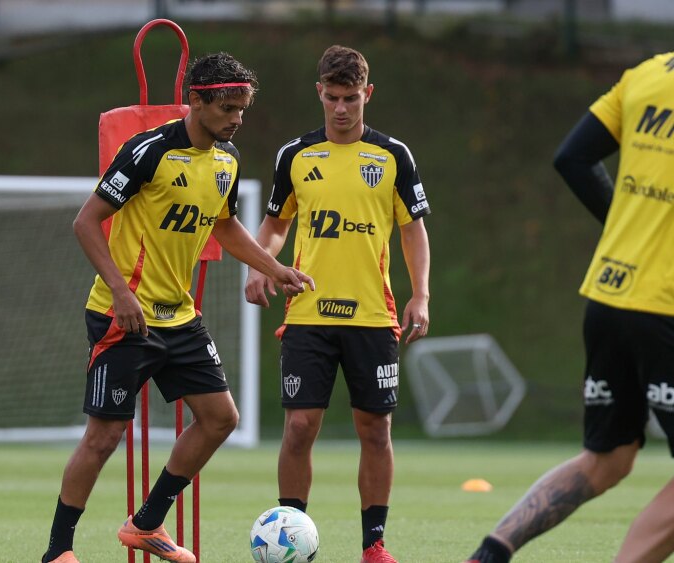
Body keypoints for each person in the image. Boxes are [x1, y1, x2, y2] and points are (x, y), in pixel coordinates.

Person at [40, 52, 314, 563]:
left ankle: (145, 524)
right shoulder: (148, 151)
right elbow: (86, 222)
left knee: (220, 418)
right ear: (196, 100)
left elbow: (224, 225)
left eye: (243, 109)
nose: (237, 118)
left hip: (179, 316)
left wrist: (274, 268)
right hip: (125, 316)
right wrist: (121, 292)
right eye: (228, 107)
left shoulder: (227, 161)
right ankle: (58, 551)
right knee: (104, 437)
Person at [464, 51, 674, 563]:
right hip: (665, 307)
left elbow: (573, 158)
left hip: (608, 293)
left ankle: (489, 554)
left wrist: (624, 227)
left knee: (608, 458)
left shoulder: (647, 75)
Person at [245, 45, 431, 563]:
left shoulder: (393, 155)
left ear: (367, 94)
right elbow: (277, 223)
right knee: (300, 426)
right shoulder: (295, 156)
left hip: (374, 315)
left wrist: (421, 294)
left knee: (375, 429)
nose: (342, 108)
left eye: (351, 98)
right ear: (319, 95)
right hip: (308, 313)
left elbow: (413, 230)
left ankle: (374, 545)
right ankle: (288, 533)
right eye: (333, 98)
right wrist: (262, 265)